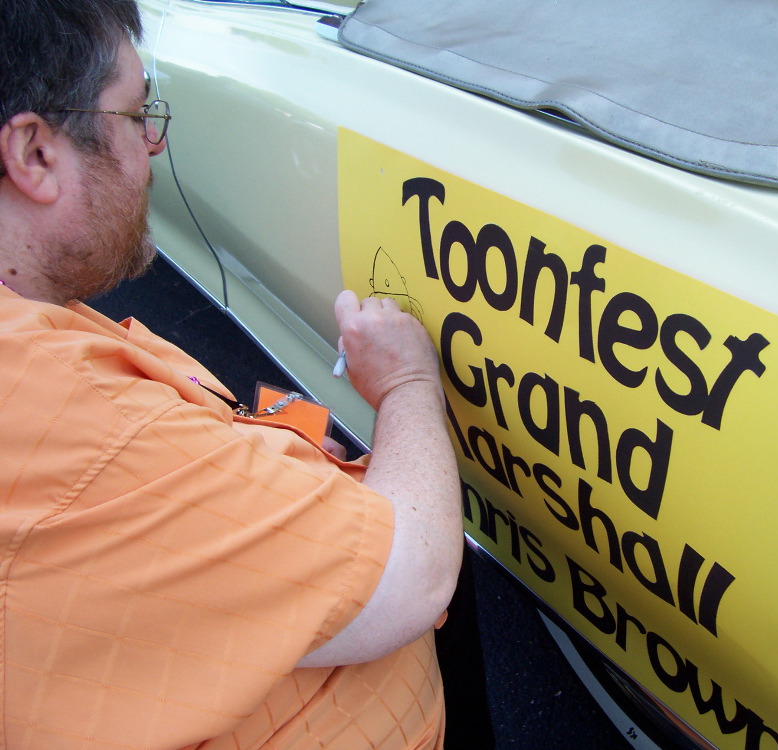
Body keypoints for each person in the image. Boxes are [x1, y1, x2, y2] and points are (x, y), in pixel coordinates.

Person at [0, 0, 475, 747]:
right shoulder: (79, 429)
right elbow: (409, 574)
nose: (154, 144)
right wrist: (410, 386)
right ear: (32, 154)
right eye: (134, 114)